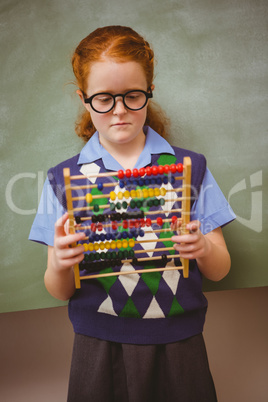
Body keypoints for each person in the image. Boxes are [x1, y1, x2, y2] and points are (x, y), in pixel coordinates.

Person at [29, 25, 235, 402]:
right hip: (99, 343)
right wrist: (60, 262)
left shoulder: (190, 168)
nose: (120, 110)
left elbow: (221, 269)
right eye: (104, 99)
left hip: (180, 340)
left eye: (133, 96)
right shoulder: (64, 179)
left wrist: (203, 246)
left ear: (149, 92)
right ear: (84, 98)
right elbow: (58, 290)